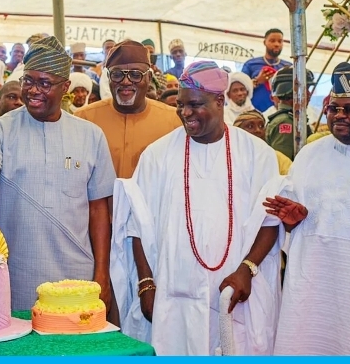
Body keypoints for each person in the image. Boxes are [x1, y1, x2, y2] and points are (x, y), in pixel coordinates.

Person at [110, 60, 282, 355]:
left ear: (219, 101)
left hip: (235, 294)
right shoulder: (157, 155)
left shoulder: (257, 154)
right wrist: (146, 283)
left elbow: (269, 221)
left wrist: (247, 269)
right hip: (173, 296)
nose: (185, 113)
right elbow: (137, 224)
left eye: (195, 105)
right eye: (180, 105)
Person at [0, 36, 117, 314]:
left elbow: (98, 210)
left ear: (65, 87)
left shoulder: (91, 136)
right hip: (14, 274)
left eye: (44, 83)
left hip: (77, 277)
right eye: (28, 80)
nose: (33, 90)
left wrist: (102, 273)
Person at [265, 62, 350, 355]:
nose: (339, 115)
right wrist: (291, 220)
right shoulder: (310, 155)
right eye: (333, 108)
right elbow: (293, 223)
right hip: (313, 284)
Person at [75, 40, 181, 179]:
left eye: (136, 75)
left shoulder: (174, 121)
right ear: (108, 78)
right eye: (117, 74)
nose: (126, 81)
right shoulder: (83, 119)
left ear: (149, 77)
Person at [265, 67, 314, 161]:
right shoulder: (286, 122)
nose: (309, 94)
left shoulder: (292, 119)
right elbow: (283, 163)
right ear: (290, 92)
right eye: (305, 88)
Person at [242, 29, 292, 113]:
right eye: (272, 41)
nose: (276, 44)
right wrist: (257, 81)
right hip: (255, 114)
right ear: (264, 42)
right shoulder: (251, 64)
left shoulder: (288, 67)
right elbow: (239, 90)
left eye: (280, 41)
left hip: (282, 114)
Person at [234, 110, 292, 176]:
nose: (258, 130)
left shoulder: (277, 158)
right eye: (250, 126)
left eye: (261, 126)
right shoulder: (232, 157)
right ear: (239, 132)